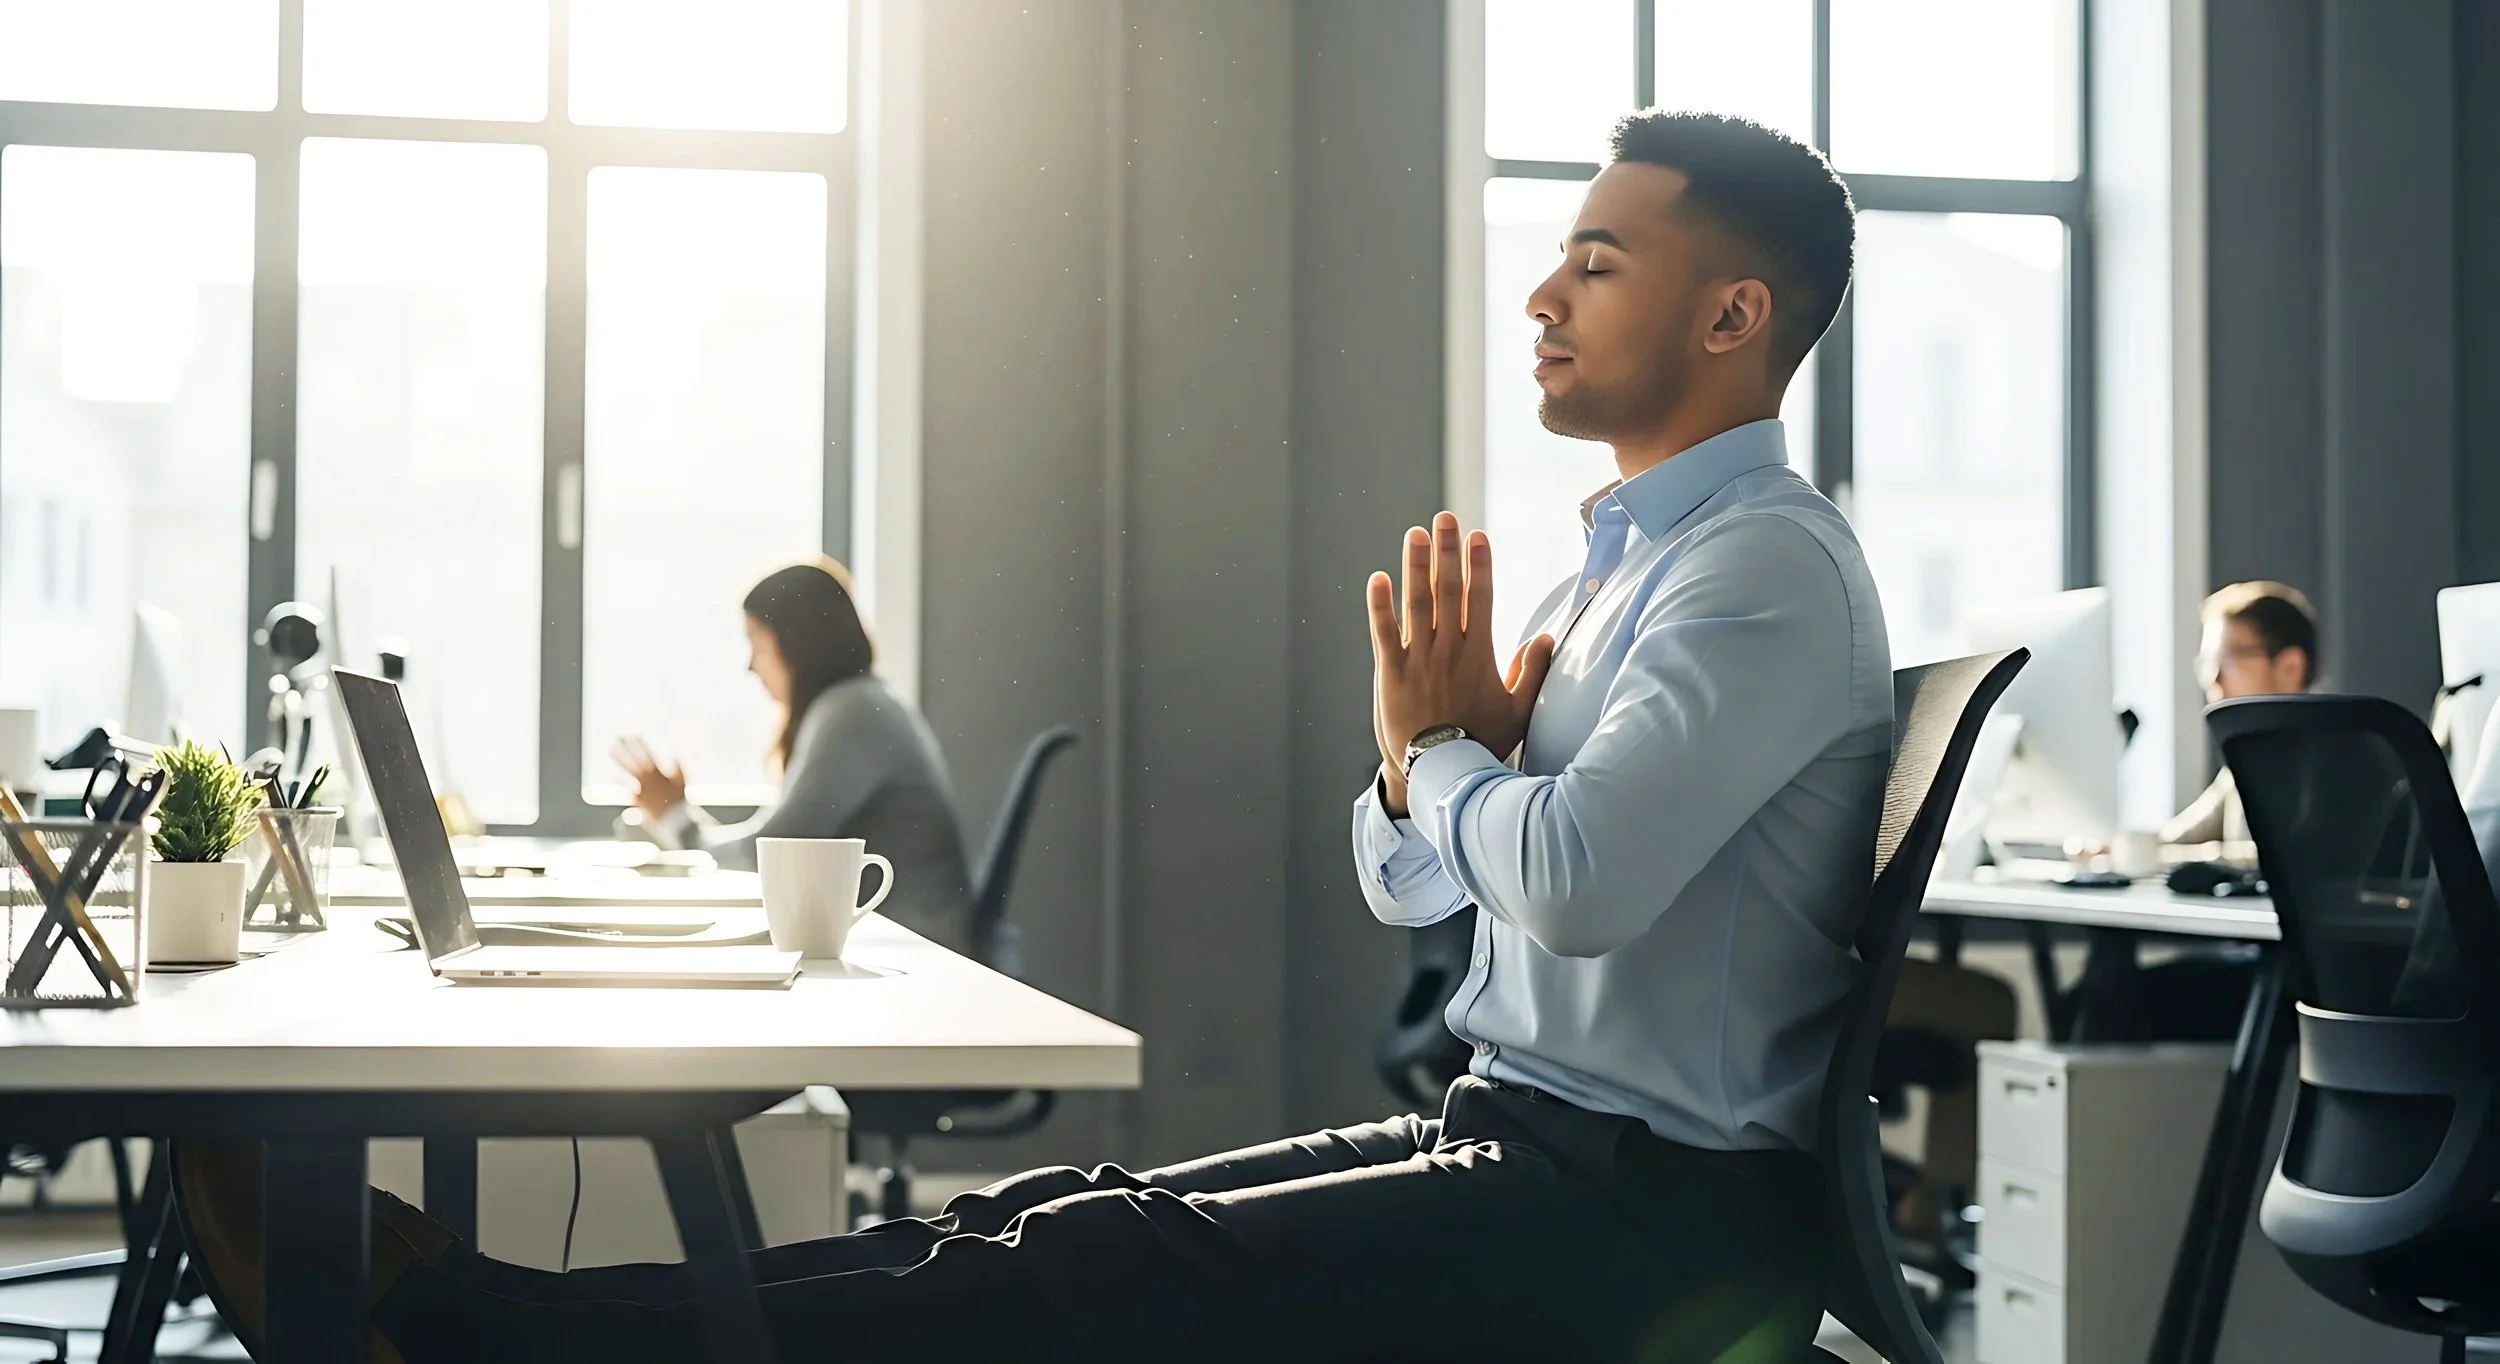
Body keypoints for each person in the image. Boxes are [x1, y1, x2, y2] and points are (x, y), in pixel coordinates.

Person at [170, 110, 1885, 1364]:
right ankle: (500, 1320)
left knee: (1090, 1269)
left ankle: (479, 1339)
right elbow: (1412, 883)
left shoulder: (1760, 569)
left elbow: (1568, 887)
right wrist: (1418, 766)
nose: (1540, 296)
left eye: (1596, 261)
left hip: (1647, 1216)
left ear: (1736, 316)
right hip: (1518, 1122)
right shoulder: (1625, 567)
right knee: (1023, 1219)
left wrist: (1447, 759)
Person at [613, 559, 975, 956]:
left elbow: (771, 855)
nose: (750, 666)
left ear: (797, 644)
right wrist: (679, 817)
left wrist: (674, 818)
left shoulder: (854, 715)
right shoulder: (858, 705)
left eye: (758, 643)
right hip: (891, 941)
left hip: (913, 949)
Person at [2159, 580, 2321, 849]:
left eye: (2228, 660)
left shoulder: (2335, 764)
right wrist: (2116, 849)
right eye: (2208, 663)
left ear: (2290, 668)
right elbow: (2175, 840)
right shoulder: (2247, 762)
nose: (2213, 679)